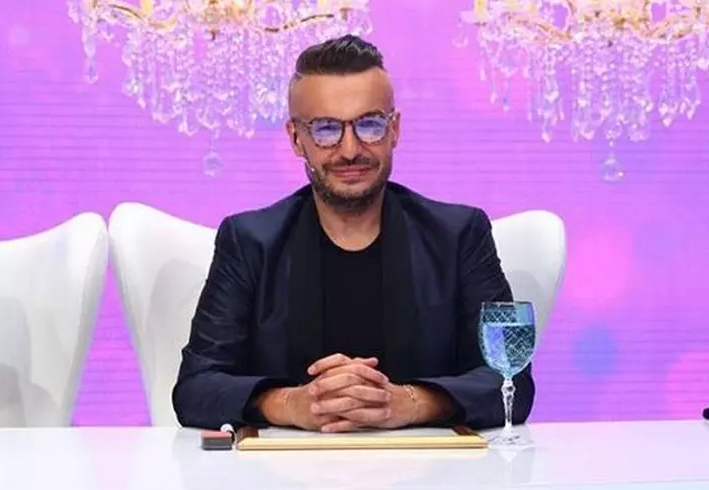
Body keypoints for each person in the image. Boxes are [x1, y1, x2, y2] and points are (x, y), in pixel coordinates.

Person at [172, 35, 534, 433]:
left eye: (369, 125)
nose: (349, 150)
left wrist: (410, 402)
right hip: (285, 464)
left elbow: (512, 382)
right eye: (326, 129)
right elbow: (195, 387)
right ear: (296, 138)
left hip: (428, 462)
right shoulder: (248, 241)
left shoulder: (460, 235)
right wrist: (290, 404)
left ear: (394, 130)